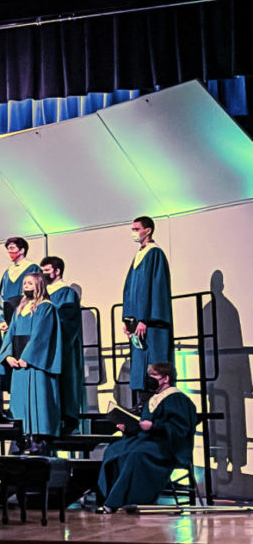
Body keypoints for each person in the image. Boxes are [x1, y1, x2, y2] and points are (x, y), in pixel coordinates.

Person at [97, 362, 196, 512]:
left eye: (154, 376)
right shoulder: (154, 399)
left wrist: (154, 426)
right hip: (147, 441)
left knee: (135, 456)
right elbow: (142, 425)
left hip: (165, 446)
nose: (150, 379)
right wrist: (128, 428)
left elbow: (180, 428)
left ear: (166, 378)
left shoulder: (177, 399)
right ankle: (111, 498)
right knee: (114, 450)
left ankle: (118, 502)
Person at [0, 273, 61, 452]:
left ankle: (38, 441)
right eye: (24, 283)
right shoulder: (20, 308)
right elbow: (10, 334)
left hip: (35, 364)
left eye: (30, 283)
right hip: (18, 364)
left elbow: (41, 335)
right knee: (19, 405)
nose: (26, 285)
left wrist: (27, 358)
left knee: (38, 402)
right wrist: (7, 355)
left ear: (39, 285)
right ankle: (21, 440)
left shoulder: (45, 307)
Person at [122, 216, 173, 408]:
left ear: (148, 230)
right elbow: (130, 290)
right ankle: (143, 403)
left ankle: (156, 403)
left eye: (136, 229)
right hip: (137, 323)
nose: (133, 232)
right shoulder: (139, 255)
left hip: (151, 324)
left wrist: (144, 319)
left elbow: (154, 290)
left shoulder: (155, 254)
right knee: (139, 363)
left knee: (154, 361)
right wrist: (128, 322)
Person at [40, 256, 85, 433]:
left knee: (65, 385)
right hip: (45, 348)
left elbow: (68, 322)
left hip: (61, 348)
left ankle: (68, 422)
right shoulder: (42, 294)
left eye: (47, 270)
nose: (43, 274)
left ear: (57, 271)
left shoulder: (66, 293)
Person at [0, 238, 41, 334]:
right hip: (8, 319)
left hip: (26, 317)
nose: (9, 251)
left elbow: (37, 293)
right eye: (8, 249)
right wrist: (1, 319)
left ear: (22, 250)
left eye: (12, 248)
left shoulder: (33, 268)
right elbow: (1, 296)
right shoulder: (7, 272)